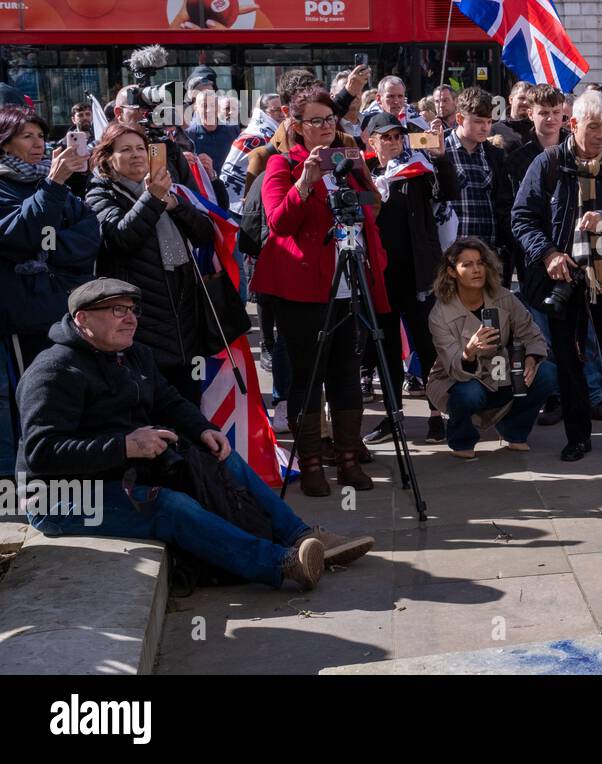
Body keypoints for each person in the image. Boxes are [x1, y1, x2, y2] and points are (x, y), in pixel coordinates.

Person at [17, 278, 373, 591]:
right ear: (82, 320)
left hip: (115, 473)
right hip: (59, 498)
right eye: (115, 310)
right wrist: (125, 446)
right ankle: (280, 564)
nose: (130, 318)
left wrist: (204, 430)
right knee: (169, 506)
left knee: (223, 457)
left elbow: (169, 401)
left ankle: (302, 536)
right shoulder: (54, 371)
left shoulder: (132, 354)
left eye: (132, 309)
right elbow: (42, 453)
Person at [251, 86, 389, 496]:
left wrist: (362, 185)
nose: (326, 127)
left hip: (350, 282)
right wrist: (306, 183)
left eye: (330, 119)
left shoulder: (348, 158)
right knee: (308, 377)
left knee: (346, 373)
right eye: (316, 121)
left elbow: (371, 205)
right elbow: (279, 224)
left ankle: (347, 459)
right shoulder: (281, 164)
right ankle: (311, 462)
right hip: (302, 288)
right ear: (296, 126)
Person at [512, 88, 602, 462]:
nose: (600, 135)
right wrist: (548, 254)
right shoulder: (548, 164)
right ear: (573, 124)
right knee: (570, 363)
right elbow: (522, 219)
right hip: (563, 278)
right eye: (593, 127)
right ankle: (578, 438)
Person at [85, 122, 216, 404]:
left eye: (140, 149)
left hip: (184, 321)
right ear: (108, 158)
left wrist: (176, 206)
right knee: (153, 411)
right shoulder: (100, 194)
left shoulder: (167, 190)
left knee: (189, 408)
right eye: (125, 150)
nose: (136, 155)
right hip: (140, 320)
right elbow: (121, 238)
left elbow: (205, 234)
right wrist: (152, 199)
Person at [361, 112, 460, 447]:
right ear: (370, 141)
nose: (392, 142)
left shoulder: (417, 170)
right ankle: (394, 417)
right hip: (381, 276)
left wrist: (441, 156)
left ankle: (436, 416)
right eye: (385, 137)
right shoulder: (363, 175)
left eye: (397, 136)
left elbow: (449, 190)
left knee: (426, 345)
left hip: (418, 275)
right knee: (386, 347)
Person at [427, 238, 558, 458]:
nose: (476, 270)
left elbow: (532, 334)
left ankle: (514, 431)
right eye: (467, 265)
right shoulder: (440, 313)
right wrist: (468, 352)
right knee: (469, 393)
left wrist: (532, 359)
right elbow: (451, 363)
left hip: (502, 373)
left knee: (547, 374)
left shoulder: (504, 298)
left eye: (480, 263)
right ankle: (461, 439)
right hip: (458, 378)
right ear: (451, 272)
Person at [0, 107, 99, 365]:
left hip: (70, 305)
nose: (38, 143)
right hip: (27, 316)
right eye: (26, 136)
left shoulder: (48, 178)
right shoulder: (10, 185)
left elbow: (89, 232)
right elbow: (19, 234)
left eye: (41, 135)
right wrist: (53, 184)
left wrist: (46, 251)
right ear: (6, 144)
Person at [446, 86, 515, 285]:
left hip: (488, 253)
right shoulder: (439, 150)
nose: (485, 128)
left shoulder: (495, 154)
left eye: (489, 121)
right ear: (459, 119)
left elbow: (504, 204)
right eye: (478, 121)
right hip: (450, 253)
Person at [491, 81, 533, 151]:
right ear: (511, 99)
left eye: (529, 99)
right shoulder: (494, 130)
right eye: (522, 98)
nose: (526, 102)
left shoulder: (538, 129)